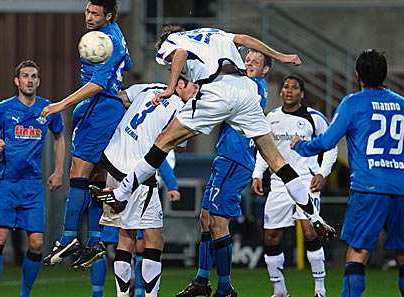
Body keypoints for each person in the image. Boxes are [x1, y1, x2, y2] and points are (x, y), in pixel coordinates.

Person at [92, 26, 334, 297]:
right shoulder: (213, 32)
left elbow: (181, 52)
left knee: (163, 141)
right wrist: (282, 56)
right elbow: (243, 39)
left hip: (218, 94)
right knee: (275, 159)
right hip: (244, 92)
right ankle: (313, 215)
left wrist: (171, 87)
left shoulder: (173, 44)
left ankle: (123, 191)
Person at [291, 49, 404, 297]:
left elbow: (327, 142)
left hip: (368, 189)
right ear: (385, 74)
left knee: (358, 252)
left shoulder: (353, 103)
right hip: (401, 190)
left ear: (358, 74)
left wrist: (300, 145)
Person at [41, 0, 132, 268]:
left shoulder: (108, 41)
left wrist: (62, 104)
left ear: (110, 15)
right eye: (88, 11)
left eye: (95, 13)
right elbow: (128, 63)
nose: (89, 17)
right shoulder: (114, 34)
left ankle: (68, 237)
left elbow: (97, 83)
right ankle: (94, 240)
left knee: (77, 172)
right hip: (103, 106)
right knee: (94, 178)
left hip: (101, 107)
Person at [175, 48, 272, 297]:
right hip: (225, 158)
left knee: (218, 222)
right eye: (247, 58)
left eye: (256, 61)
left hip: (236, 160)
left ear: (265, 69)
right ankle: (202, 280)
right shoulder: (241, 83)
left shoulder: (256, 87)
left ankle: (225, 287)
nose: (249, 62)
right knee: (206, 218)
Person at [91, 78, 196, 297]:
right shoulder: (181, 109)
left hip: (111, 161)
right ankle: (150, 295)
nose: (196, 91)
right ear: (179, 85)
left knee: (125, 235)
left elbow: (121, 99)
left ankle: (122, 295)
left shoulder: (148, 87)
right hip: (137, 173)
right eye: (193, 86)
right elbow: (179, 145)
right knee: (154, 238)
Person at [0, 60, 65, 297]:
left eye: (34, 76)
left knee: (37, 243)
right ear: (17, 81)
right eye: (25, 76)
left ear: (38, 81)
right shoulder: (4, 108)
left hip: (32, 186)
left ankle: (25, 294)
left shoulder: (47, 109)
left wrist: (59, 171)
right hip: (7, 183)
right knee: (0, 237)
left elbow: (59, 136)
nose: (29, 80)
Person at [252, 75, 337, 297]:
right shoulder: (271, 118)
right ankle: (279, 291)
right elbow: (265, 149)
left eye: (294, 88)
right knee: (271, 236)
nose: (289, 91)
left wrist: (322, 172)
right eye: (286, 87)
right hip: (279, 183)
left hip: (305, 182)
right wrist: (257, 173)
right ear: (281, 92)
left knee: (310, 232)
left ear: (302, 93)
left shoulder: (314, 118)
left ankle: (320, 289)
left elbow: (331, 147)